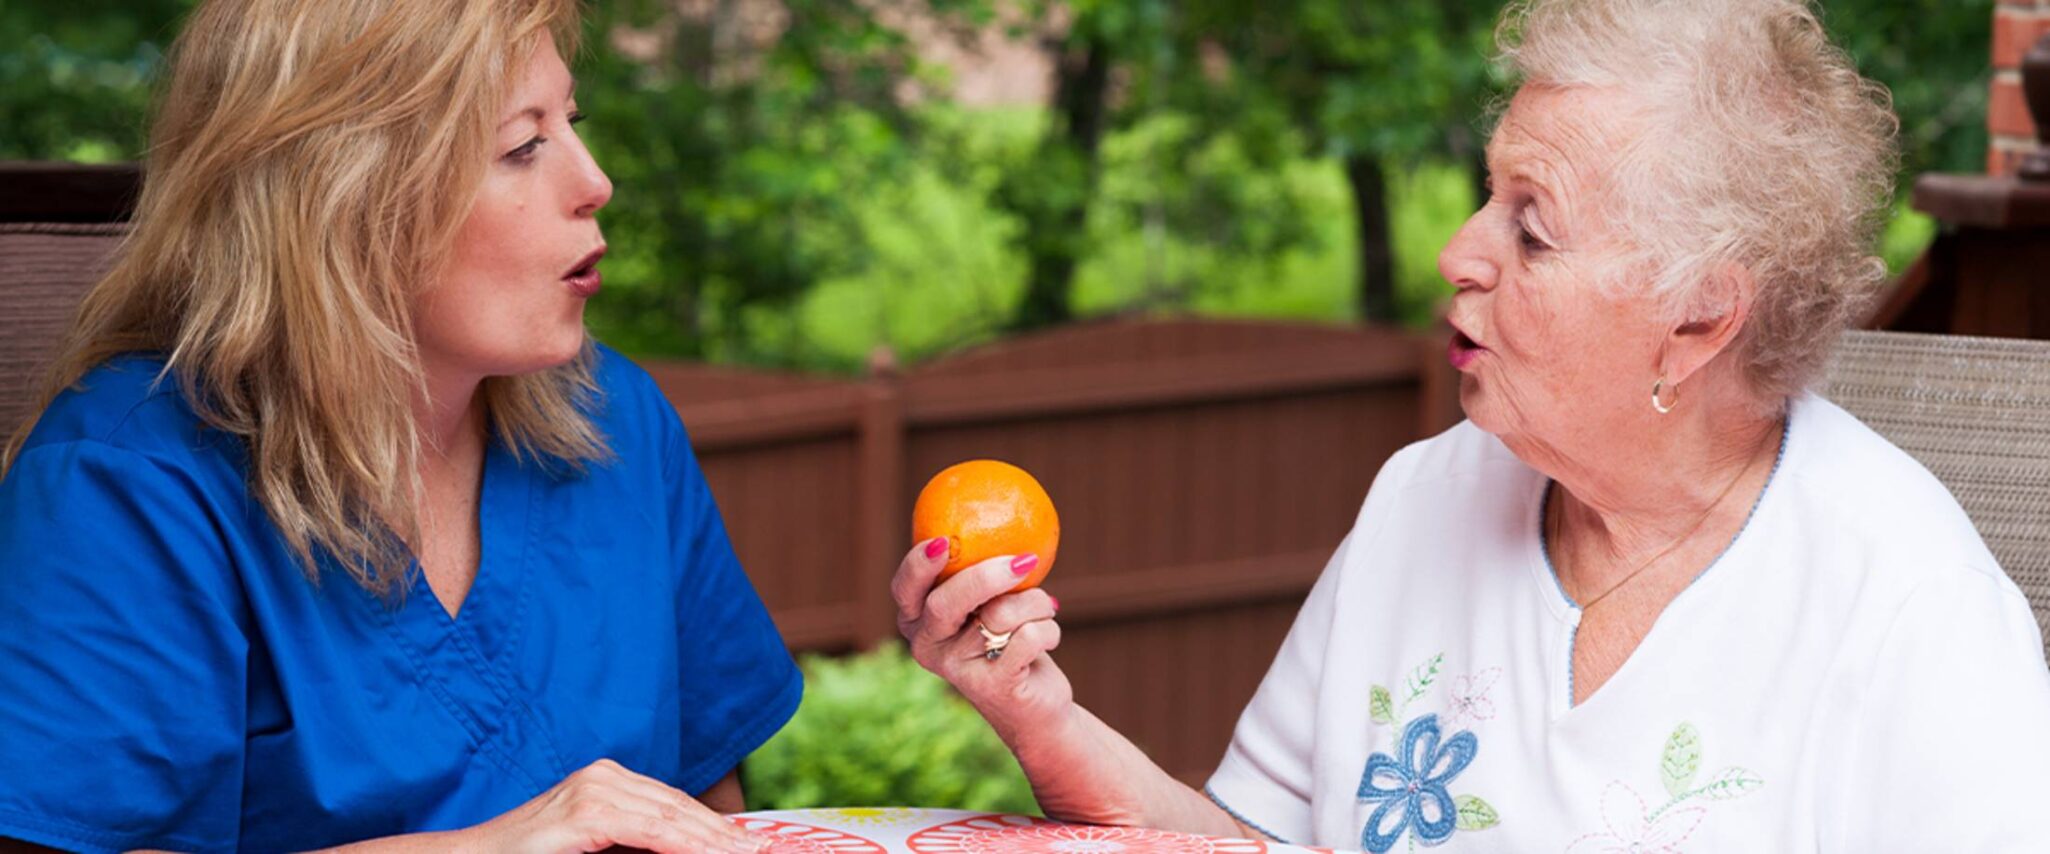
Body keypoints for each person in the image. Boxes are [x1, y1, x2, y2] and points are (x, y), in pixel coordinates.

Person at [890, 0, 2050, 850]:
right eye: (1490, 192)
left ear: (1697, 317)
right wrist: (1036, 714)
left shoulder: (1906, 612)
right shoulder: (1425, 496)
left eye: (1531, 229)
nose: (1460, 251)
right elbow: (1243, 844)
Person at [0, 1, 796, 851]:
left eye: (571, 123)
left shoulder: (618, 420)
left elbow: (710, 808)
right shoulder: (125, 483)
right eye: (522, 145)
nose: (595, 182)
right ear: (345, 198)